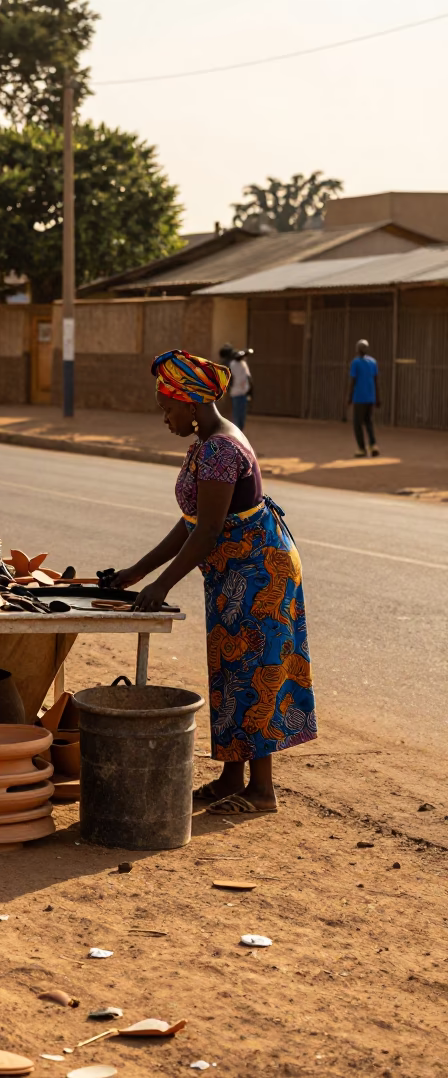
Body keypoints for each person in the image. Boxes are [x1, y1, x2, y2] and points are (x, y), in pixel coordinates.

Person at [112, 348, 317, 815]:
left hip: (259, 571)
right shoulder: (207, 443)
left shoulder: (222, 449)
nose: (165, 418)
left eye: (168, 409)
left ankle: (262, 792)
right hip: (231, 572)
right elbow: (191, 521)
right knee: (230, 668)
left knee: (256, 671)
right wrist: (137, 572)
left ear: (191, 403)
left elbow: (206, 532)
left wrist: (161, 586)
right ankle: (231, 777)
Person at [348, 339, 380, 457]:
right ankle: (373, 445)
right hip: (370, 397)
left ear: (357, 349)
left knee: (357, 424)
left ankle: (362, 449)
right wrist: (378, 397)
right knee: (369, 422)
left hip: (359, 398)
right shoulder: (373, 362)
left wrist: (349, 397)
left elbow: (353, 381)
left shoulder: (355, 363)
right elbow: (376, 381)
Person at [228, 351, 253, 431]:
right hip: (236, 392)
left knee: (242, 413)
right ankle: (237, 429)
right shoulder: (233, 364)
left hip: (243, 391)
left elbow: (248, 377)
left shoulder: (243, 364)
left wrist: (250, 389)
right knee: (237, 413)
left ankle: (240, 428)